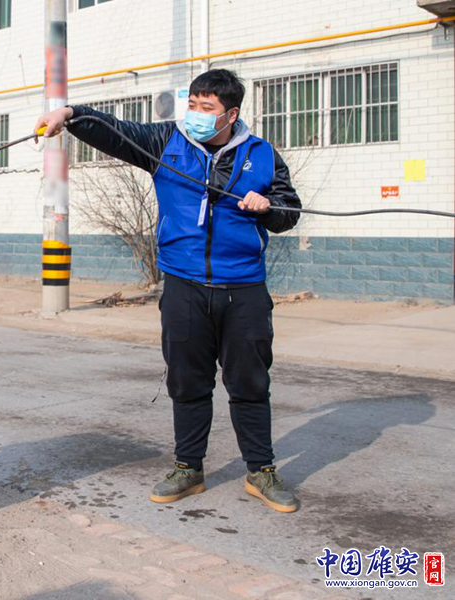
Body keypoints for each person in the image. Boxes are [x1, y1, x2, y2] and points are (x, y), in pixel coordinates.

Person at [35, 69, 302, 513]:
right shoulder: (167, 142)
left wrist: (267, 208)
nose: (196, 114)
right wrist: (70, 114)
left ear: (231, 114)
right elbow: (117, 132)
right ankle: (188, 468)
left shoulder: (262, 154)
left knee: (250, 383)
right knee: (187, 381)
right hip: (183, 285)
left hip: (244, 289)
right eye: (192, 104)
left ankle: (261, 471)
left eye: (207, 108)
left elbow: (289, 212)